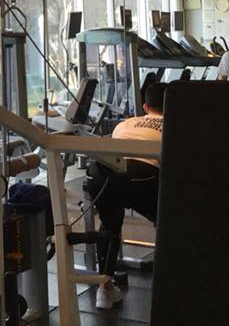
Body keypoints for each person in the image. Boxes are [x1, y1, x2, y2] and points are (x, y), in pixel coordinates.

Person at [84, 79, 165, 310]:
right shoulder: (176, 125)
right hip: (143, 178)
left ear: (145, 107)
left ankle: (104, 289)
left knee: (109, 226)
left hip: (105, 175)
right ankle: (169, 287)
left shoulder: (125, 124)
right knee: (168, 222)